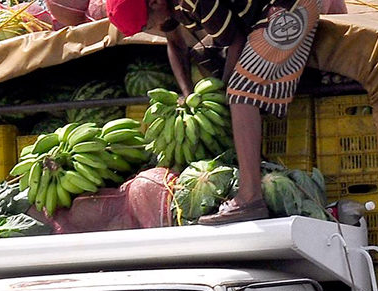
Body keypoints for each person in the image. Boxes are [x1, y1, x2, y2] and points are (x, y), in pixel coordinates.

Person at [106, 0, 342, 224]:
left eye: (148, 23)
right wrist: (189, 94)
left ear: (155, 3)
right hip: (255, 17)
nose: (154, 27)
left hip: (288, 6)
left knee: (241, 91)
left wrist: (223, 93)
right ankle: (252, 170)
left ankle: (250, 198)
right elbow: (175, 44)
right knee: (206, 57)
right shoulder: (167, 6)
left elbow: (236, 42)